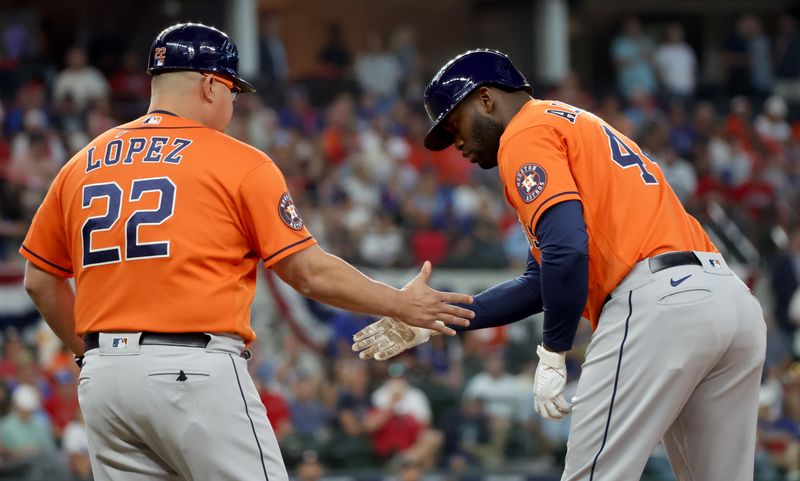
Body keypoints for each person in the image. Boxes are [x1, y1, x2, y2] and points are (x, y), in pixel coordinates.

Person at [19, 23, 473, 481]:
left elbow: (39, 281)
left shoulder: (81, 164)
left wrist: (90, 356)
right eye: (233, 91)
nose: (235, 104)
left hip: (104, 381)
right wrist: (401, 302)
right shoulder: (236, 160)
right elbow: (308, 273)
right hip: (191, 370)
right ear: (211, 84)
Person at [353, 49, 767, 481]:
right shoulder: (571, 123)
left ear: (487, 99)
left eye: (454, 123)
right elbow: (541, 281)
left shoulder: (523, 133)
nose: (455, 143)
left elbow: (566, 253)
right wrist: (437, 318)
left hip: (660, 305)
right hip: (729, 299)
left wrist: (553, 350)